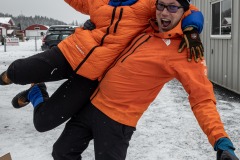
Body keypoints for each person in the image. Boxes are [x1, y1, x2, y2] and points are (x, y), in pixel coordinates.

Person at [51, 0, 239, 159]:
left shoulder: (186, 51)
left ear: (184, 11)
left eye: (173, 7)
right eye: (161, 6)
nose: (164, 12)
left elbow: (202, 98)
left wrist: (220, 139)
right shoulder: (146, 26)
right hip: (91, 105)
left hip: (117, 122)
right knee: (61, 152)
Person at [0, 0, 203, 132]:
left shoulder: (149, 4)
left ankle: (36, 91)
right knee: (17, 72)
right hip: (70, 52)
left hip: (92, 75)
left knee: (43, 123)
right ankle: (8, 77)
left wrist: (192, 30)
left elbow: (189, 10)